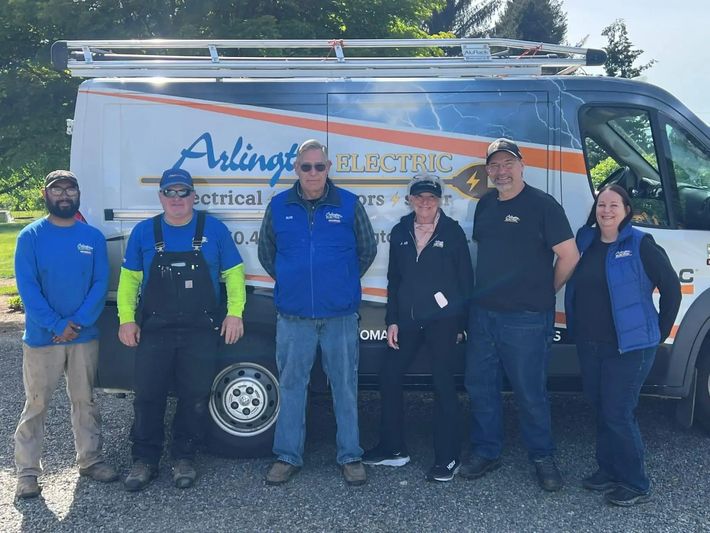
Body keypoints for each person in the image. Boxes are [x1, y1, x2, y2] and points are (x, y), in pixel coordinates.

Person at [462, 138, 580, 491]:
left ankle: (542, 457)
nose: (501, 171)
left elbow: (569, 256)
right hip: (484, 316)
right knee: (480, 388)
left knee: (530, 393)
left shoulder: (543, 205)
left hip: (527, 319)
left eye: (507, 164)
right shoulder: (484, 206)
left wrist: (546, 292)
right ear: (488, 171)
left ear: (521, 165)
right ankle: (487, 451)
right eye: (495, 165)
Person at [117, 168, 246, 491]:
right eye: (170, 193)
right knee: (148, 395)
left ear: (194, 196)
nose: (177, 199)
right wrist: (126, 319)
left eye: (183, 192)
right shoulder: (145, 232)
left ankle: (183, 457)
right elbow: (129, 280)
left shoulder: (213, 229)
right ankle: (144, 459)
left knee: (194, 396)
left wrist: (234, 314)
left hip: (200, 328)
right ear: (160, 196)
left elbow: (234, 273)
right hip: (155, 328)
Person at [258, 139, 377, 486]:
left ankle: (350, 455)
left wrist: (338, 282)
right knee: (293, 385)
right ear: (296, 169)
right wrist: (294, 281)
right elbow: (268, 252)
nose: (313, 173)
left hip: (339, 315)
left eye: (319, 166)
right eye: (306, 166)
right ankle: (287, 456)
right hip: (294, 316)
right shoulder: (280, 206)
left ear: (328, 168)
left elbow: (366, 249)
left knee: (345, 386)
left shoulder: (349, 204)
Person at [564, 184, 681, 506]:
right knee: (602, 408)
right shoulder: (585, 241)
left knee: (618, 412)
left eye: (614, 205)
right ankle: (608, 470)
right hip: (591, 344)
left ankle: (635, 482)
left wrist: (657, 333)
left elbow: (672, 290)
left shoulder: (641, 243)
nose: (607, 210)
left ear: (627, 210)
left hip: (629, 348)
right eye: (602, 204)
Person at [363, 173, 474, 482]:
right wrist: (392, 320)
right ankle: (393, 449)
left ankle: (448, 457)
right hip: (409, 319)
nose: (425, 202)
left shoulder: (452, 233)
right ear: (410, 200)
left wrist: (462, 324)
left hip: (443, 320)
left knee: (442, 383)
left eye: (431, 197)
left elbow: (466, 280)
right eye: (419, 197)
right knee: (389, 376)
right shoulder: (400, 231)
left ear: (439, 201)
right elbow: (394, 280)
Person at [14, 170, 117, 499]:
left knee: (85, 401)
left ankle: (90, 460)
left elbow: (100, 284)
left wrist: (79, 322)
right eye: (56, 190)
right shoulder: (30, 236)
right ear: (46, 195)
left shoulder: (92, 237)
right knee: (36, 405)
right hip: (43, 339)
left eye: (69, 189)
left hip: (84, 338)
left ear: (78, 194)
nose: (63, 195)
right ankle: (27, 473)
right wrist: (57, 325)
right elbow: (28, 288)